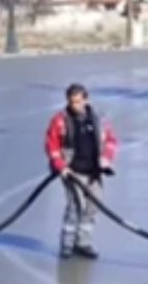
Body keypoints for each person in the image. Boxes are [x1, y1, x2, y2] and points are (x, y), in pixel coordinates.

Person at [43, 84, 117, 260]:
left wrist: (105, 160)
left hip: (94, 172)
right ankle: (67, 244)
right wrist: (60, 165)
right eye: (71, 102)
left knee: (92, 209)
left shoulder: (98, 118)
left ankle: (83, 243)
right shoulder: (60, 120)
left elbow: (110, 140)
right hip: (72, 172)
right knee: (75, 207)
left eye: (78, 101)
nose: (74, 105)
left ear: (85, 99)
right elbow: (51, 145)